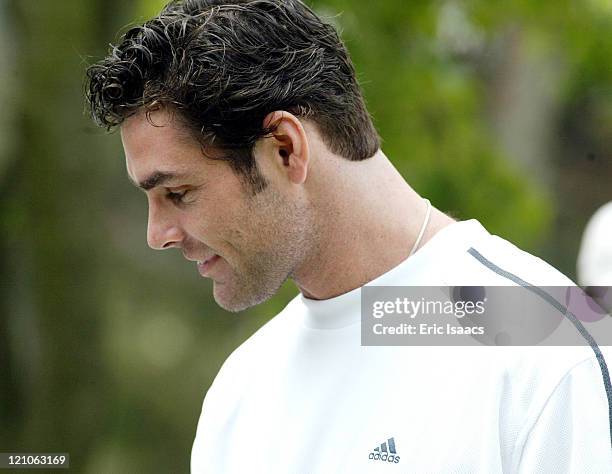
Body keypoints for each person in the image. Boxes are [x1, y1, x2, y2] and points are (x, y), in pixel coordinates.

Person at [85, 0, 612, 472]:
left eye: (178, 193)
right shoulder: (242, 389)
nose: (158, 235)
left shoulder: (548, 338)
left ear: (286, 148)